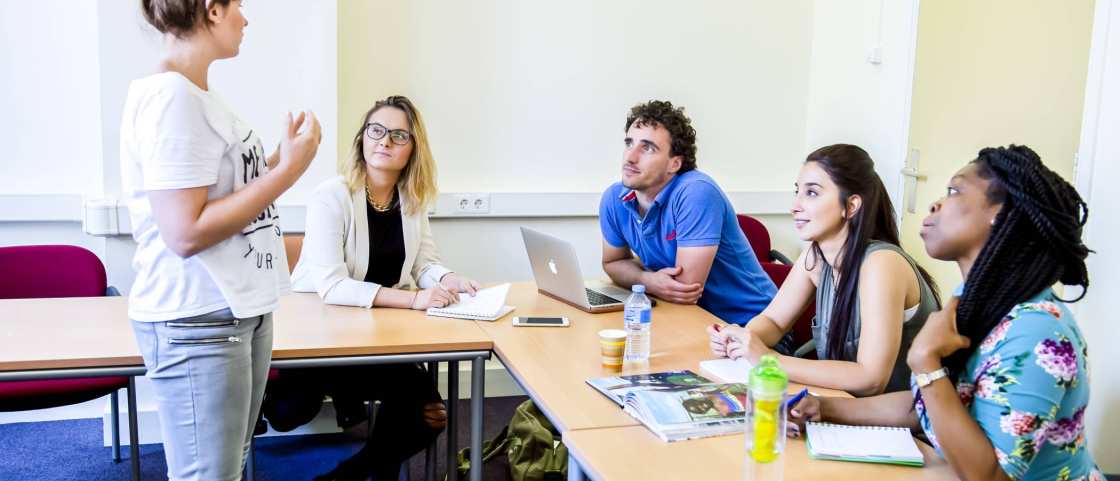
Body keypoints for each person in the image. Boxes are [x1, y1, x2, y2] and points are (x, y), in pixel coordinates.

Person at [786, 145, 1102, 481]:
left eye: (954, 191)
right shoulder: (975, 299)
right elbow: (927, 406)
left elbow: (989, 476)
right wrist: (825, 408)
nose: (936, 203)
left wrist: (927, 364)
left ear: (1001, 215)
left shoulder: (1037, 333)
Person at [122, 1, 321, 479]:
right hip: (198, 317)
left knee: (229, 467)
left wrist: (275, 161)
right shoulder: (172, 98)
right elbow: (184, 232)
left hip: (233, 308)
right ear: (212, 10)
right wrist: (289, 171)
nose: (245, 20)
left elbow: (223, 197)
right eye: (238, 7)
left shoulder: (195, 94)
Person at [283, 95, 478, 481]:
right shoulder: (331, 197)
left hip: (381, 334)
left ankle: (346, 477)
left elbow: (423, 263)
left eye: (398, 135)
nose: (384, 141)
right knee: (412, 410)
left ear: (412, 150)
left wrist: (445, 279)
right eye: (376, 130)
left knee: (429, 416)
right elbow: (333, 285)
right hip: (321, 338)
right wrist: (414, 300)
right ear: (361, 139)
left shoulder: (411, 199)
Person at [708, 145, 940, 395]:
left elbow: (871, 377)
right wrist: (741, 340)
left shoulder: (882, 264)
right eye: (798, 192)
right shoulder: (815, 256)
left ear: (851, 206)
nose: (795, 206)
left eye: (812, 193)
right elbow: (774, 321)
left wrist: (769, 359)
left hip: (902, 424)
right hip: (843, 403)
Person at [599, 100, 776, 324]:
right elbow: (612, 264)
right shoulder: (614, 198)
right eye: (629, 143)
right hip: (691, 323)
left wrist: (640, 279)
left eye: (648, 148)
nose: (630, 157)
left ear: (674, 164)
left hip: (751, 329)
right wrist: (649, 280)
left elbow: (682, 291)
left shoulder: (696, 192)